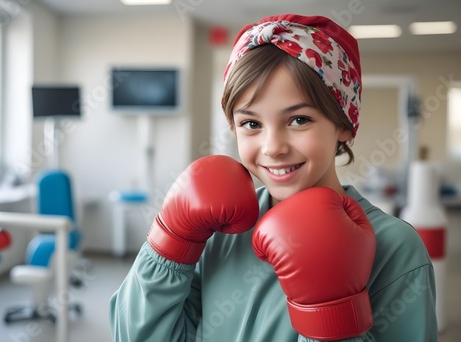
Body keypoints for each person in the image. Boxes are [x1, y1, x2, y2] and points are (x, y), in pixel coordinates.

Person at [110, 14, 437, 341]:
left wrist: (332, 314)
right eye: (251, 124)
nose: (273, 147)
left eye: (298, 119)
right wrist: (170, 243)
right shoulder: (219, 231)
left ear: (344, 124)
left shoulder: (394, 248)